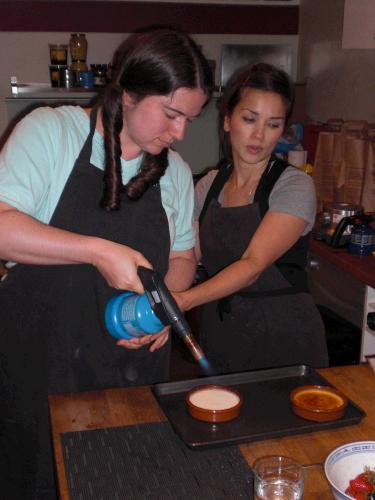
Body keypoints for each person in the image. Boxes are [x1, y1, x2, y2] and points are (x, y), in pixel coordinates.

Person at [0, 27, 213, 499]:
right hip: (42, 368)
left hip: (130, 371)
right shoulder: (52, 132)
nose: (179, 133)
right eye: (172, 114)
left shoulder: (173, 172)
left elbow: (183, 256)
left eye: (189, 120)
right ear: (129, 92)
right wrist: (99, 251)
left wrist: (167, 304)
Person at [174, 62, 328, 374]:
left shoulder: (294, 185)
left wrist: (184, 301)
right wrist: (162, 296)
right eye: (249, 119)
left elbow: (252, 266)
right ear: (228, 120)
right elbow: (187, 256)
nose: (259, 135)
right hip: (223, 333)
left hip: (286, 338)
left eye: (273, 124)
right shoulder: (208, 186)